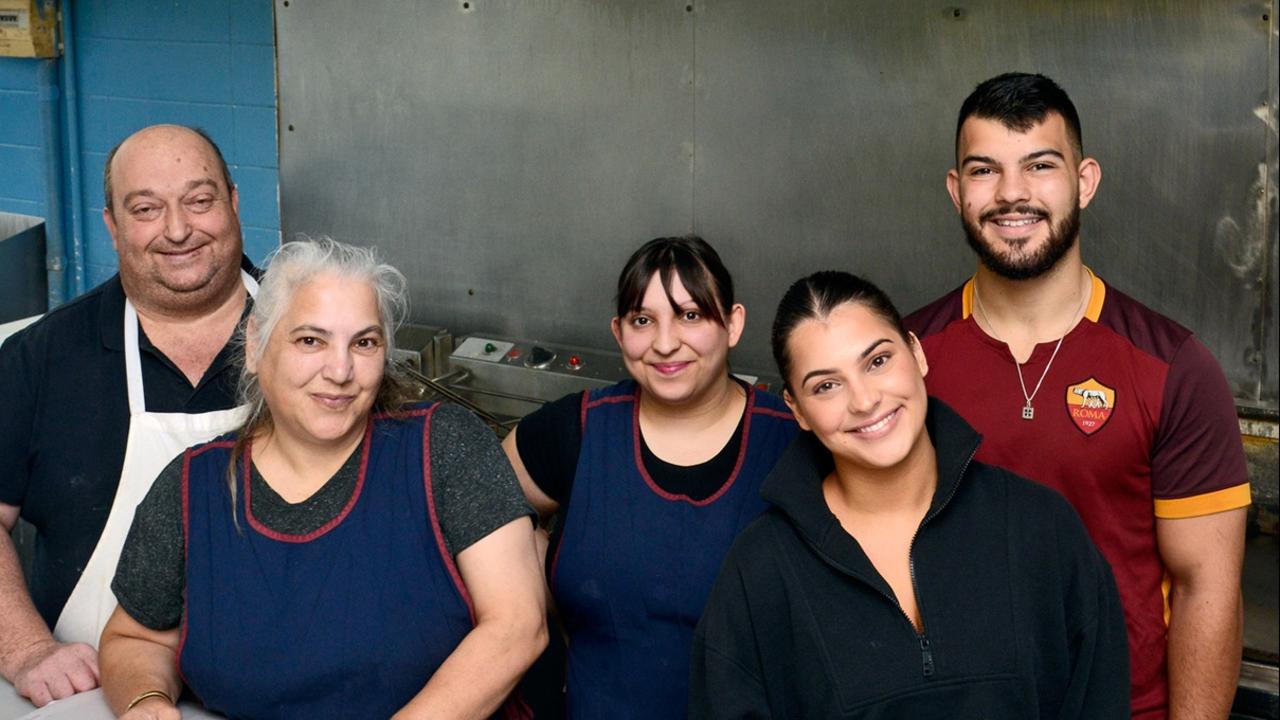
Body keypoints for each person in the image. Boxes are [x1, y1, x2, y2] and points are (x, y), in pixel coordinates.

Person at [905, 72, 1249, 719]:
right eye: (984, 171)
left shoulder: (1171, 366)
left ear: (1085, 181)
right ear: (956, 192)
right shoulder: (904, 360)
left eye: (1040, 165)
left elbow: (1208, 588)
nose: (1012, 194)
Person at [99, 237, 547, 719]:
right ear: (255, 346)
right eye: (310, 340)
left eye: (364, 343)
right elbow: (134, 638)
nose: (340, 370)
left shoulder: (442, 447)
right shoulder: (193, 487)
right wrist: (146, 700)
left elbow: (517, 625)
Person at [690, 270, 1130, 719]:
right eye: (826, 385)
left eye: (878, 361)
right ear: (797, 410)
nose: (864, 400)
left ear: (916, 352)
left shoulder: (1040, 527)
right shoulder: (760, 570)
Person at [0, 125, 260, 707]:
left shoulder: (314, 344)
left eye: (199, 200)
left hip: (283, 694)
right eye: (146, 208)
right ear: (113, 226)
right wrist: (27, 651)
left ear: (234, 203)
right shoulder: (37, 359)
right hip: (94, 697)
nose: (177, 229)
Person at [502, 236, 798, 718]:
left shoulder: (791, 443)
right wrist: (541, 584)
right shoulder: (577, 429)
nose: (664, 343)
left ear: (734, 323)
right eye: (643, 320)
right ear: (619, 332)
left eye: (691, 315)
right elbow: (473, 518)